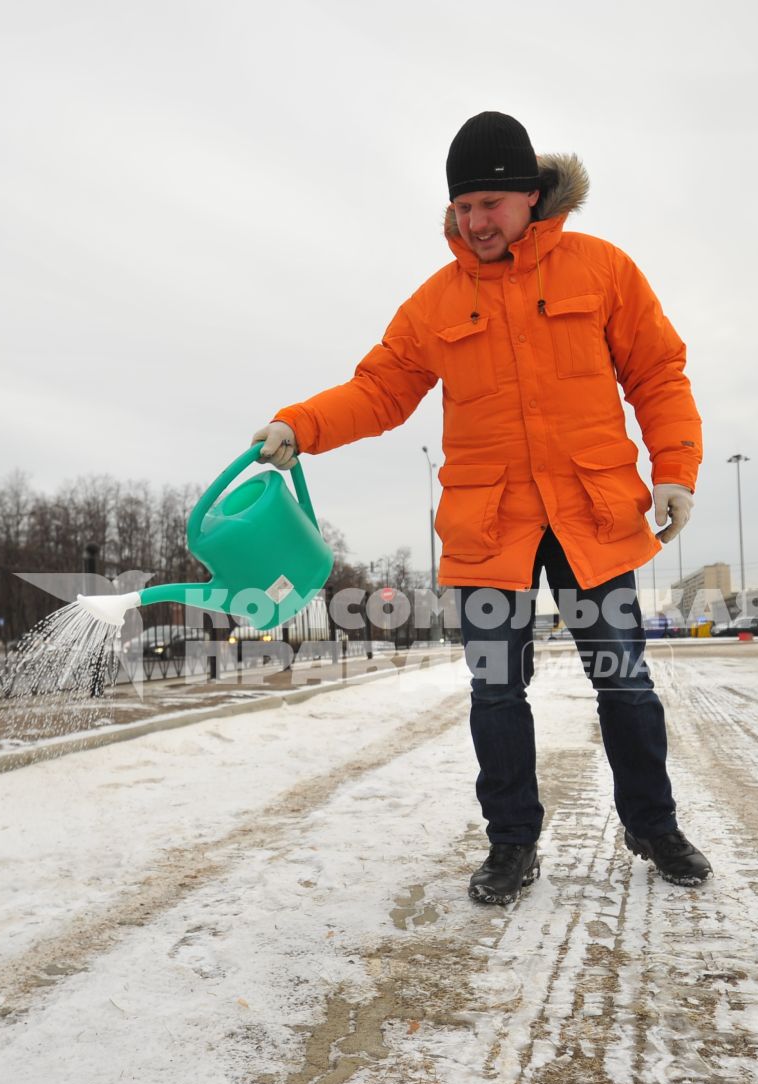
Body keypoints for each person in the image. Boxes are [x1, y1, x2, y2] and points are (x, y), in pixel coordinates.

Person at [253, 111, 710, 905]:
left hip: (590, 516)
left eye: (490, 203)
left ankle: (653, 823)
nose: (475, 221)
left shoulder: (602, 271)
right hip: (489, 522)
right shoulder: (437, 301)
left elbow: (659, 373)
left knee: (625, 681)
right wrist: (301, 424)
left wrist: (675, 469)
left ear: (531, 195)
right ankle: (511, 843)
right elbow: (381, 388)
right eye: (463, 206)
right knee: (496, 688)